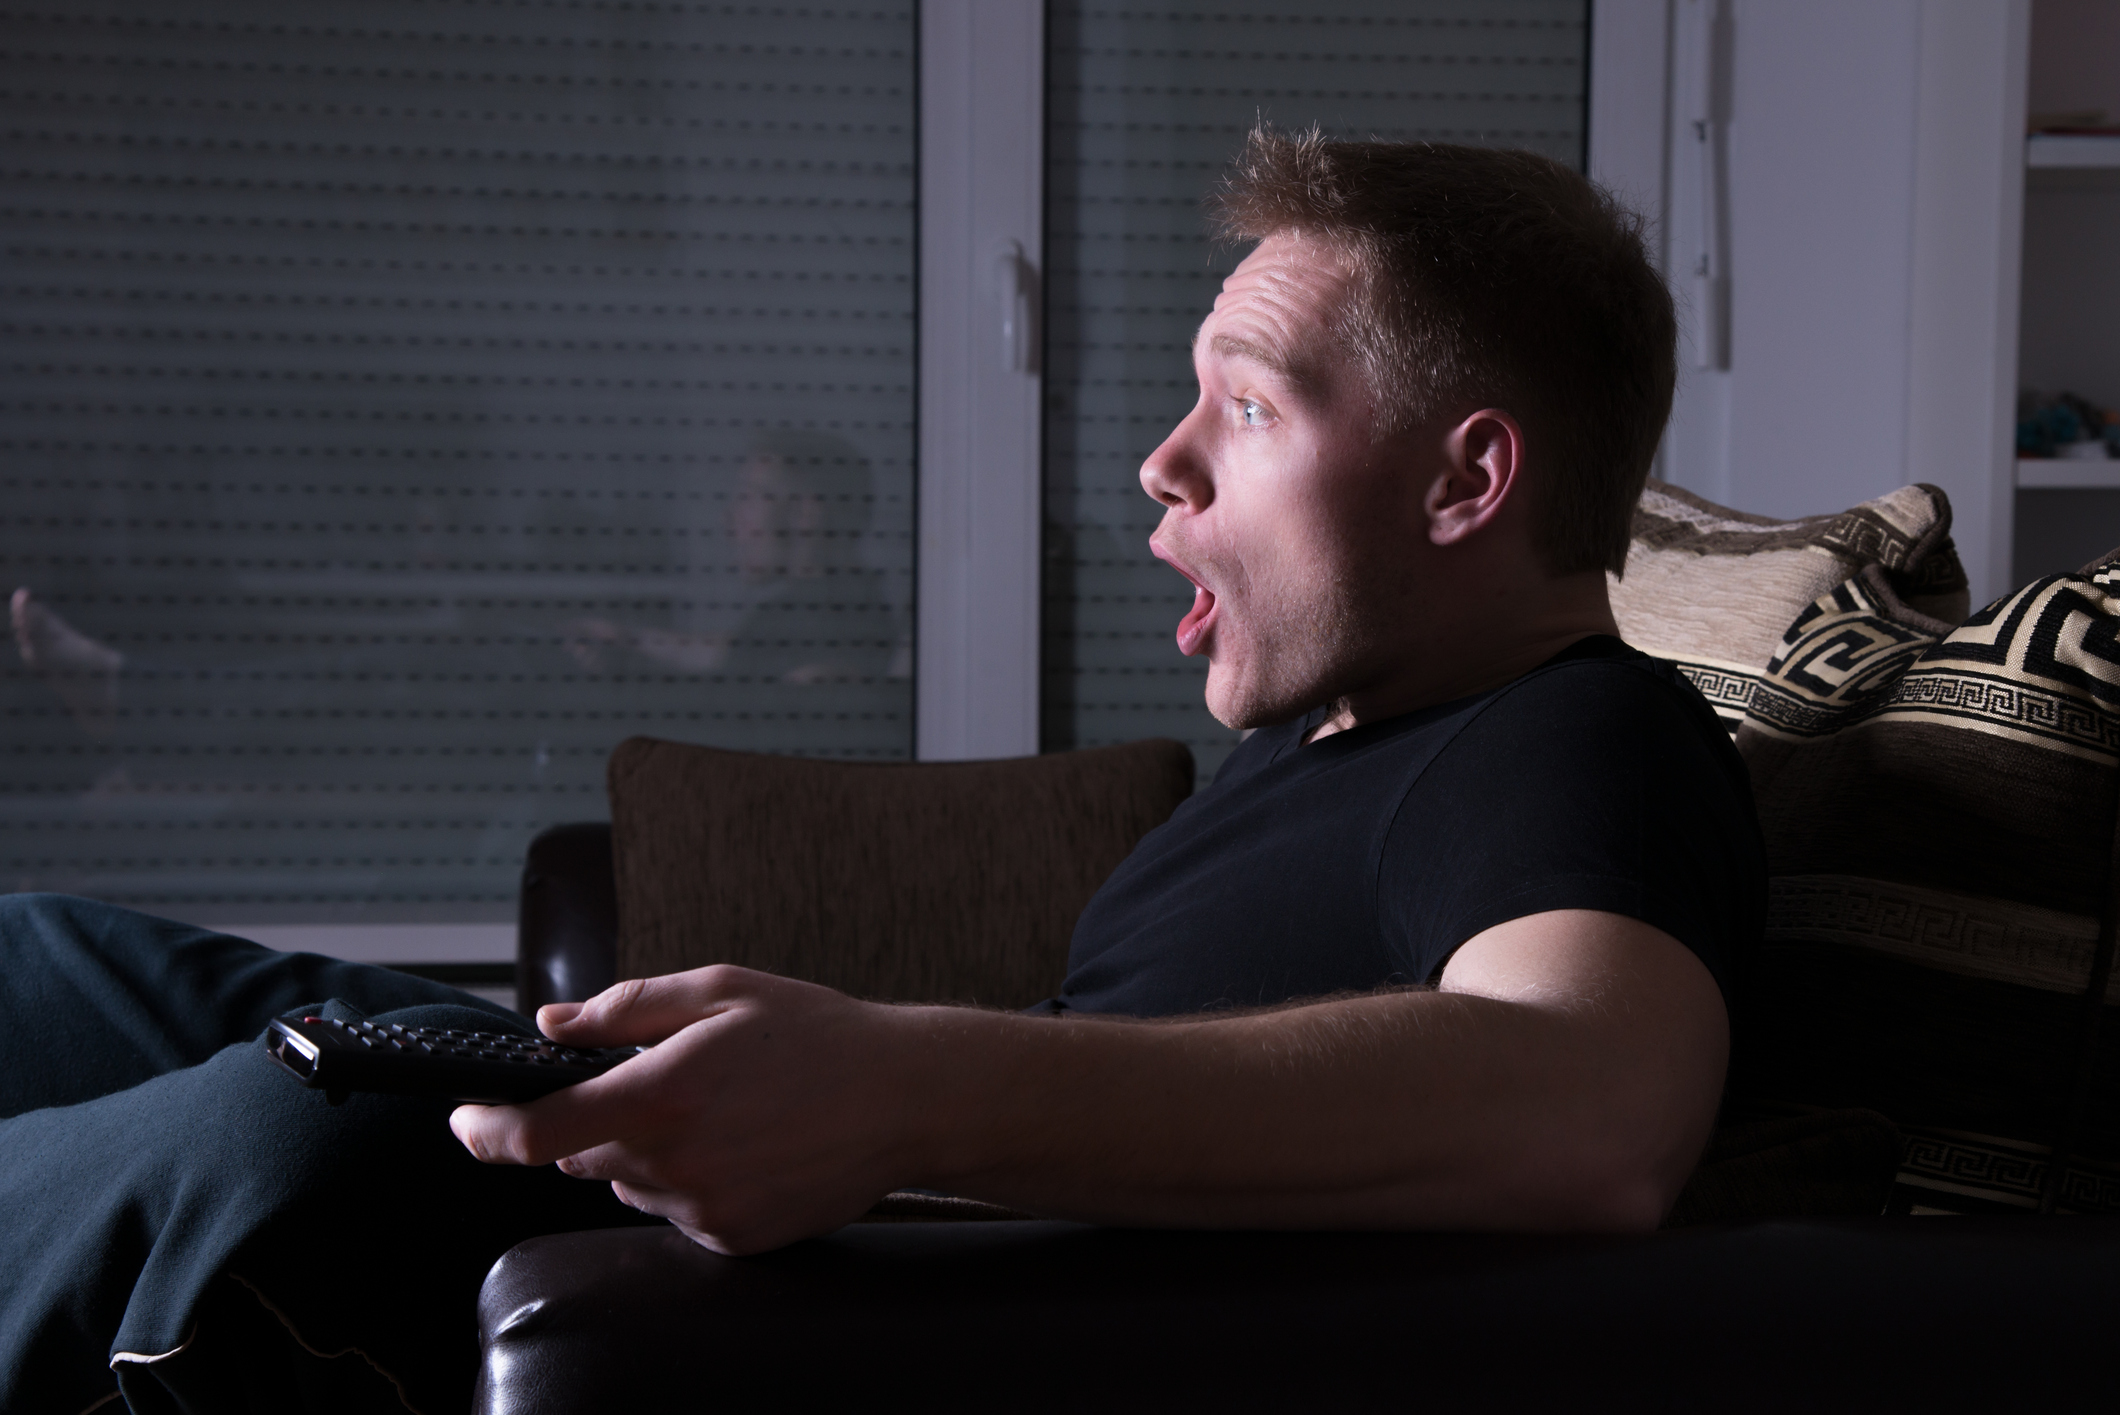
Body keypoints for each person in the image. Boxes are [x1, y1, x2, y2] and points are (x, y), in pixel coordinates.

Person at [0, 129, 1762, 1411]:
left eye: (1244, 404)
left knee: (264, 1139)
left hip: (874, 1328)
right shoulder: (1335, 746)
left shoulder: (1571, 734)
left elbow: (1589, 1102)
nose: (1160, 464)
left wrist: (902, 1096)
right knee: (55, 967)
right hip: (923, 1235)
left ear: (1467, 486)